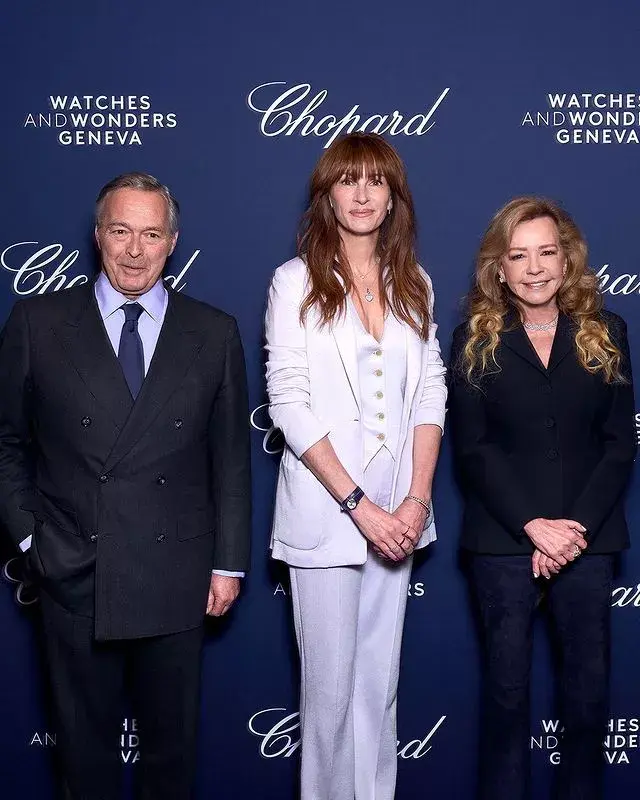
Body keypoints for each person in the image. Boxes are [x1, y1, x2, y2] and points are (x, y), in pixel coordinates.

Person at [0, 172, 251, 800]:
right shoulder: (37, 322)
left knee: (171, 758)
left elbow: (232, 462)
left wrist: (228, 563)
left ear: (172, 243)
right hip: (75, 569)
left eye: (150, 234)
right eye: (120, 231)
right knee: (82, 760)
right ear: (97, 236)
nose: (134, 250)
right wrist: (34, 544)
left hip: (177, 574)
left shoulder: (213, 332)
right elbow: (5, 444)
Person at [265, 133, 447, 800]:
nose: (363, 193)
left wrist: (414, 502)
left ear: (395, 197)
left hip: (399, 515)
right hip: (327, 516)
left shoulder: (415, 282)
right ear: (328, 195)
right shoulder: (294, 282)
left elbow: (431, 392)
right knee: (330, 699)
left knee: (379, 688)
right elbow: (288, 400)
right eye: (349, 180)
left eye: (377, 181)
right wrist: (360, 507)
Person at [448, 196, 636, 800]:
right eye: (518, 255)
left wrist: (571, 529)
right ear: (497, 269)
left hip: (589, 539)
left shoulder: (607, 333)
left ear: (567, 259)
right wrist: (534, 524)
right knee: (506, 702)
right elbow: (473, 450)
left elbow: (619, 444)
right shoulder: (473, 339)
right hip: (504, 542)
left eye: (547, 253)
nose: (534, 268)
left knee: (586, 700)